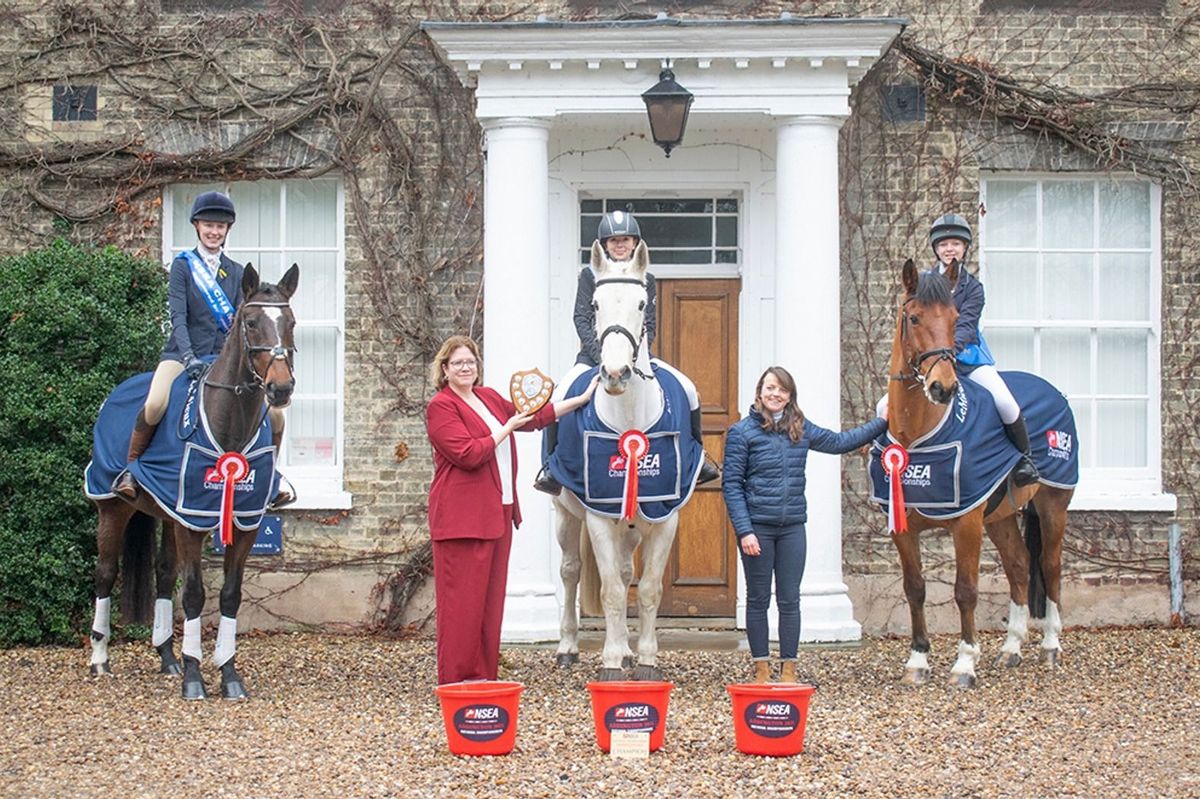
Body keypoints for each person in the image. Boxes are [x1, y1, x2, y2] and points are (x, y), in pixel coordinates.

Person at [425, 334, 599, 684]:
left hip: (498, 513)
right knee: (462, 608)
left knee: (488, 608)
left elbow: (533, 418)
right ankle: (457, 682)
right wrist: (506, 429)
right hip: (461, 520)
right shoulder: (442, 407)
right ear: (444, 369)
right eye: (457, 363)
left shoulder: (486, 397)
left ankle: (483, 679)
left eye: (470, 362)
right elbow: (468, 454)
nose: (465, 368)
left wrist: (581, 399)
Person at [115, 191, 291, 506]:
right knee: (155, 403)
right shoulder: (183, 267)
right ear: (197, 226)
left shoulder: (237, 272)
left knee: (276, 416)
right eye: (209, 225)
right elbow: (177, 317)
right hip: (183, 355)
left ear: (227, 231)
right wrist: (187, 357)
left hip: (225, 359)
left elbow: (243, 325)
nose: (214, 231)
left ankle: (272, 478)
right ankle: (131, 470)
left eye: (221, 227)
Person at [533, 209, 720, 494]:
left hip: (637, 356)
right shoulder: (590, 275)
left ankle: (699, 458)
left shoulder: (646, 276)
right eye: (613, 240)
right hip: (594, 356)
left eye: (625, 240)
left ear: (635, 243)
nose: (620, 245)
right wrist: (603, 357)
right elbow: (582, 319)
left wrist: (633, 356)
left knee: (689, 388)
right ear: (604, 245)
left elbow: (650, 323)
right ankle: (551, 467)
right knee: (560, 393)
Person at [722, 366, 887, 684]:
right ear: (760, 392)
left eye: (782, 389)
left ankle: (788, 669)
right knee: (758, 599)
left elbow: (840, 442)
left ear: (789, 396)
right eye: (770, 388)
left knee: (789, 599)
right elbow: (732, 485)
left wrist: (883, 423)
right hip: (757, 529)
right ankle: (760, 670)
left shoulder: (800, 427)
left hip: (792, 527)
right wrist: (745, 531)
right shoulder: (741, 433)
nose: (775, 394)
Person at [927, 213, 1038, 486]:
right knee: (885, 404)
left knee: (1005, 402)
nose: (949, 249)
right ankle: (882, 452)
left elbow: (966, 326)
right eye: (943, 244)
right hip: (931, 361)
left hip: (968, 358)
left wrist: (950, 351)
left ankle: (1025, 460)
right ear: (936, 249)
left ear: (964, 248)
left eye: (955, 243)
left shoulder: (973, 288)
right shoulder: (923, 282)